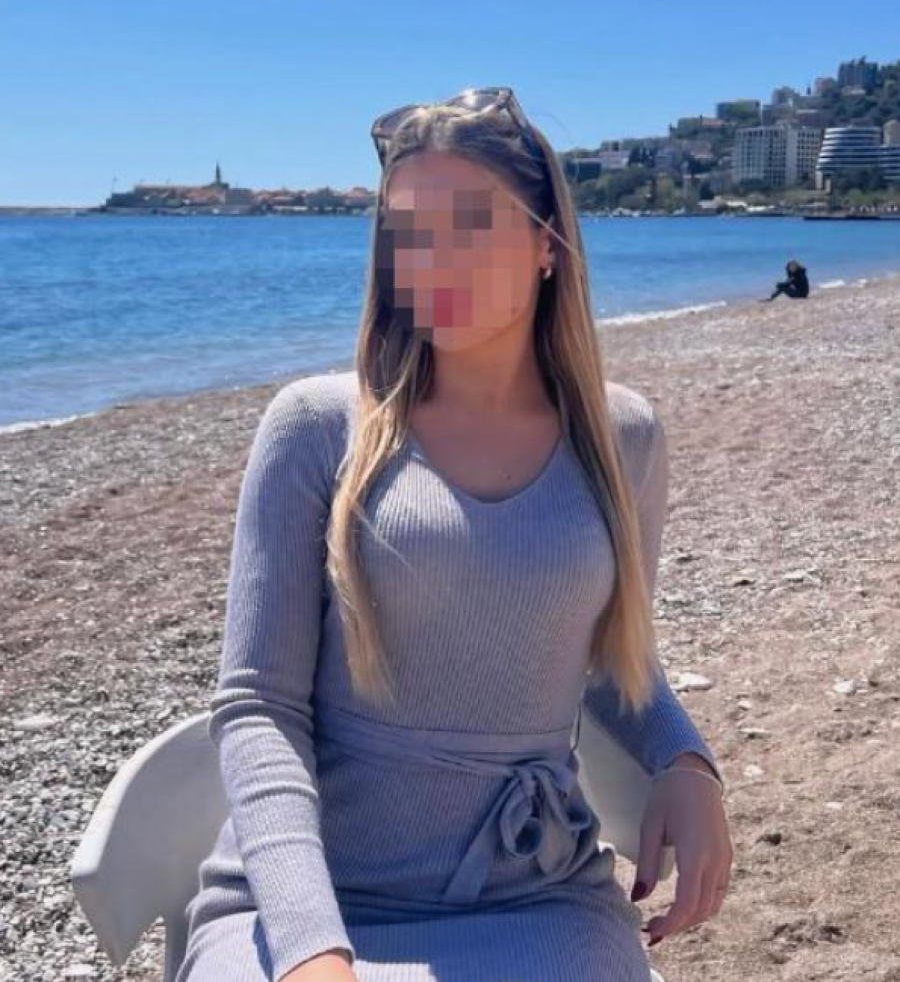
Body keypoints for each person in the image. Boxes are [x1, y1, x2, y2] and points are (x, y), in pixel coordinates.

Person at [176, 87, 732, 982]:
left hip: (536, 888)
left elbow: (609, 662)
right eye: (408, 231)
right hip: (309, 899)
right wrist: (313, 950)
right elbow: (258, 708)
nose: (432, 258)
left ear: (548, 245)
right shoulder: (315, 427)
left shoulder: (622, 439)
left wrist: (685, 760)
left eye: (471, 222)